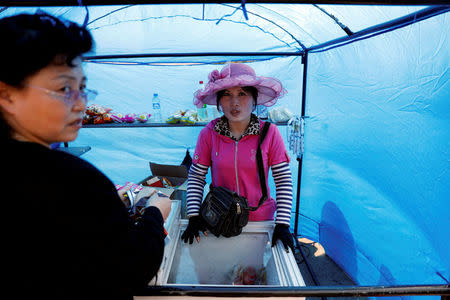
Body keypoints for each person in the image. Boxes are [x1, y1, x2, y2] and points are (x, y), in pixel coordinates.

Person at [0, 13, 171, 299]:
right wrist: (155, 212)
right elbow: (134, 267)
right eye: (64, 88)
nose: (81, 104)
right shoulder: (70, 178)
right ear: (7, 96)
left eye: (82, 88)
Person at [181, 63, 295, 252]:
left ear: (254, 99)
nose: (234, 102)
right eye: (227, 94)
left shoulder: (270, 133)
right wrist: (193, 216)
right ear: (219, 101)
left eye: (242, 94)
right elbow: (196, 177)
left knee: (253, 276)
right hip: (219, 219)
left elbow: (283, 181)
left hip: (259, 222)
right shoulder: (208, 134)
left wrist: (282, 224)